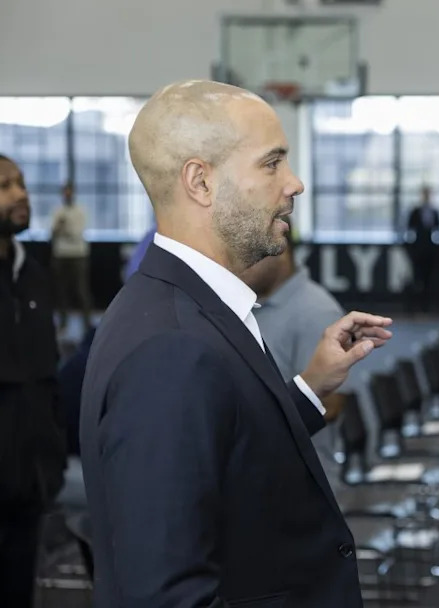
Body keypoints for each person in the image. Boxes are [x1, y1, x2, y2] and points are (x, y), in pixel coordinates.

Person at [79, 80, 393, 608]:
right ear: (200, 182)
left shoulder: (195, 304)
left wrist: (310, 389)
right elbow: (167, 594)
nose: (294, 184)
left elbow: (228, 451)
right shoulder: (171, 348)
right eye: (272, 164)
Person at [0, 154, 66, 607]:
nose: (21, 194)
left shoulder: (34, 276)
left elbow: (47, 378)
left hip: (30, 483)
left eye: (21, 183)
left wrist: (52, 461)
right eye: (5, 186)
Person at [242, 222, 345, 381]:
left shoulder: (318, 313)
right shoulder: (244, 302)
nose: (238, 265)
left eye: (249, 254)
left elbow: (330, 402)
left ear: (280, 248)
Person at [50, 181, 92, 332]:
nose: (67, 194)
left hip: (78, 255)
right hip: (60, 255)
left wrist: (64, 228)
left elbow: (76, 232)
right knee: (62, 292)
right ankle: (63, 323)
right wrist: (60, 227)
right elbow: (53, 232)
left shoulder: (80, 210)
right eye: (65, 192)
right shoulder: (57, 211)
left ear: (73, 193)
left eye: (70, 191)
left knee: (81, 291)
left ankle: (87, 324)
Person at [405, 184, 439, 312]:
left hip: (430, 249)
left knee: (429, 279)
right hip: (418, 249)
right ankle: (416, 306)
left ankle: (426, 306)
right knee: (417, 278)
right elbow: (409, 228)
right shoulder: (415, 211)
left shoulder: (435, 211)